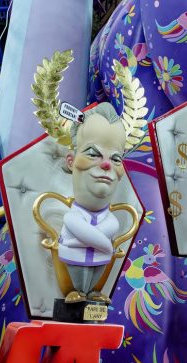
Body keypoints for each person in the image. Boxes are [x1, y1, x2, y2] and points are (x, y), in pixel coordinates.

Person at [58, 103, 127, 303]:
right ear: (71, 161)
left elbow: (105, 229)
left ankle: (93, 292)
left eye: (115, 159)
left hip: (100, 258)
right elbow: (80, 229)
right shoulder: (73, 216)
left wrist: (93, 241)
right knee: (78, 270)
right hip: (76, 255)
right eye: (93, 154)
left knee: (98, 270)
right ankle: (78, 291)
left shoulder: (110, 219)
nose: (105, 164)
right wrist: (106, 246)